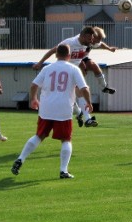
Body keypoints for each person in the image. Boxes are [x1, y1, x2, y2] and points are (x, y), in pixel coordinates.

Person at [11, 44, 92, 179]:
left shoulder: (47, 68)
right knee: (66, 139)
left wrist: (34, 99)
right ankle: (63, 170)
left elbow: (33, 85)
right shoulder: (73, 69)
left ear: (56, 54)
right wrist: (89, 103)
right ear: (69, 55)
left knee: (39, 135)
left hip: (46, 108)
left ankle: (21, 158)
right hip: (64, 108)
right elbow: (84, 88)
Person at [33, 26, 99, 128]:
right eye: (90, 39)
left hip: (74, 72)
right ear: (83, 36)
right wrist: (40, 63)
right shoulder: (70, 42)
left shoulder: (87, 45)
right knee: (68, 95)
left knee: (80, 92)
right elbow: (53, 51)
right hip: (65, 71)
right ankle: (80, 113)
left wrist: (82, 63)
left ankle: (87, 118)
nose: (91, 41)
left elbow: (81, 56)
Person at [79, 26, 117, 94]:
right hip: (74, 59)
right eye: (97, 40)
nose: (96, 43)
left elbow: (101, 44)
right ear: (92, 37)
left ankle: (104, 87)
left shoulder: (94, 42)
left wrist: (109, 49)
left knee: (95, 66)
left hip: (84, 59)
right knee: (82, 73)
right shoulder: (81, 42)